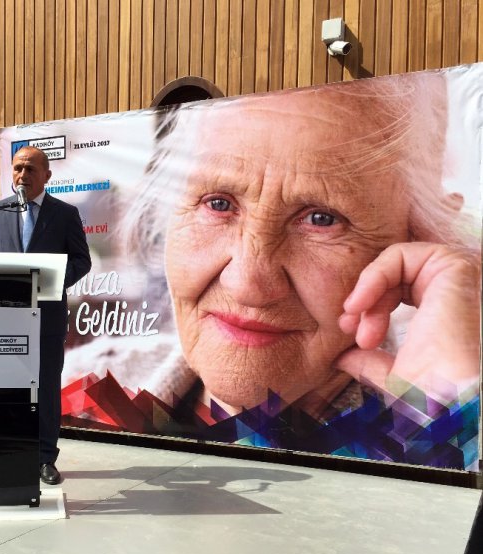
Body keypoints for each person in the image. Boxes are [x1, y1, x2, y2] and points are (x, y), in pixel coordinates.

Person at [65, 68, 481, 442]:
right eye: (218, 204)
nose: (247, 283)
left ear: (419, 237)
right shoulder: (73, 389)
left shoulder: (439, 424)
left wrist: (453, 423)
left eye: (321, 218)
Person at [0, 145, 91, 484]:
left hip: (47, 316)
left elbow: (81, 261)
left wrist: (52, 283)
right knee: (9, 388)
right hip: (7, 317)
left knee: (44, 388)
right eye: (17, 168)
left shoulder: (64, 213)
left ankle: (44, 459)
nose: (22, 175)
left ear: (47, 176)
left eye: (29, 169)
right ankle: (13, 452)